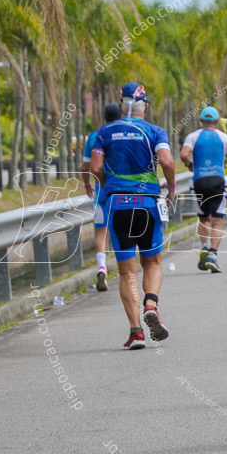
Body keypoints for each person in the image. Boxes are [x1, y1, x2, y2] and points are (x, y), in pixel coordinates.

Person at [90, 83, 177, 349]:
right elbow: (168, 162)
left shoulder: (103, 132)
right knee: (152, 263)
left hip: (119, 206)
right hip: (147, 204)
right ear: (146, 106)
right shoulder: (154, 131)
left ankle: (136, 331)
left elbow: (95, 167)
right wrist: (170, 188)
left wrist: (110, 187)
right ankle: (151, 303)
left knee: (127, 273)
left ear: (120, 105)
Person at [180, 106, 227, 273]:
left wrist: (191, 164)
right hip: (217, 181)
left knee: (204, 218)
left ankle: (204, 246)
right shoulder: (223, 137)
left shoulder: (193, 136)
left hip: (199, 180)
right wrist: (226, 162)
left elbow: (184, 154)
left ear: (201, 121)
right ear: (217, 121)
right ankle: (213, 254)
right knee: (217, 220)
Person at [82, 102, 122, 291]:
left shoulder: (93, 137)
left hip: (100, 192)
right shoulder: (121, 134)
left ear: (103, 117)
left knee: (101, 232)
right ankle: (125, 270)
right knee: (122, 230)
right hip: (119, 190)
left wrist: (87, 184)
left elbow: (86, 166)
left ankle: (102, 267)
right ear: (120, 115)